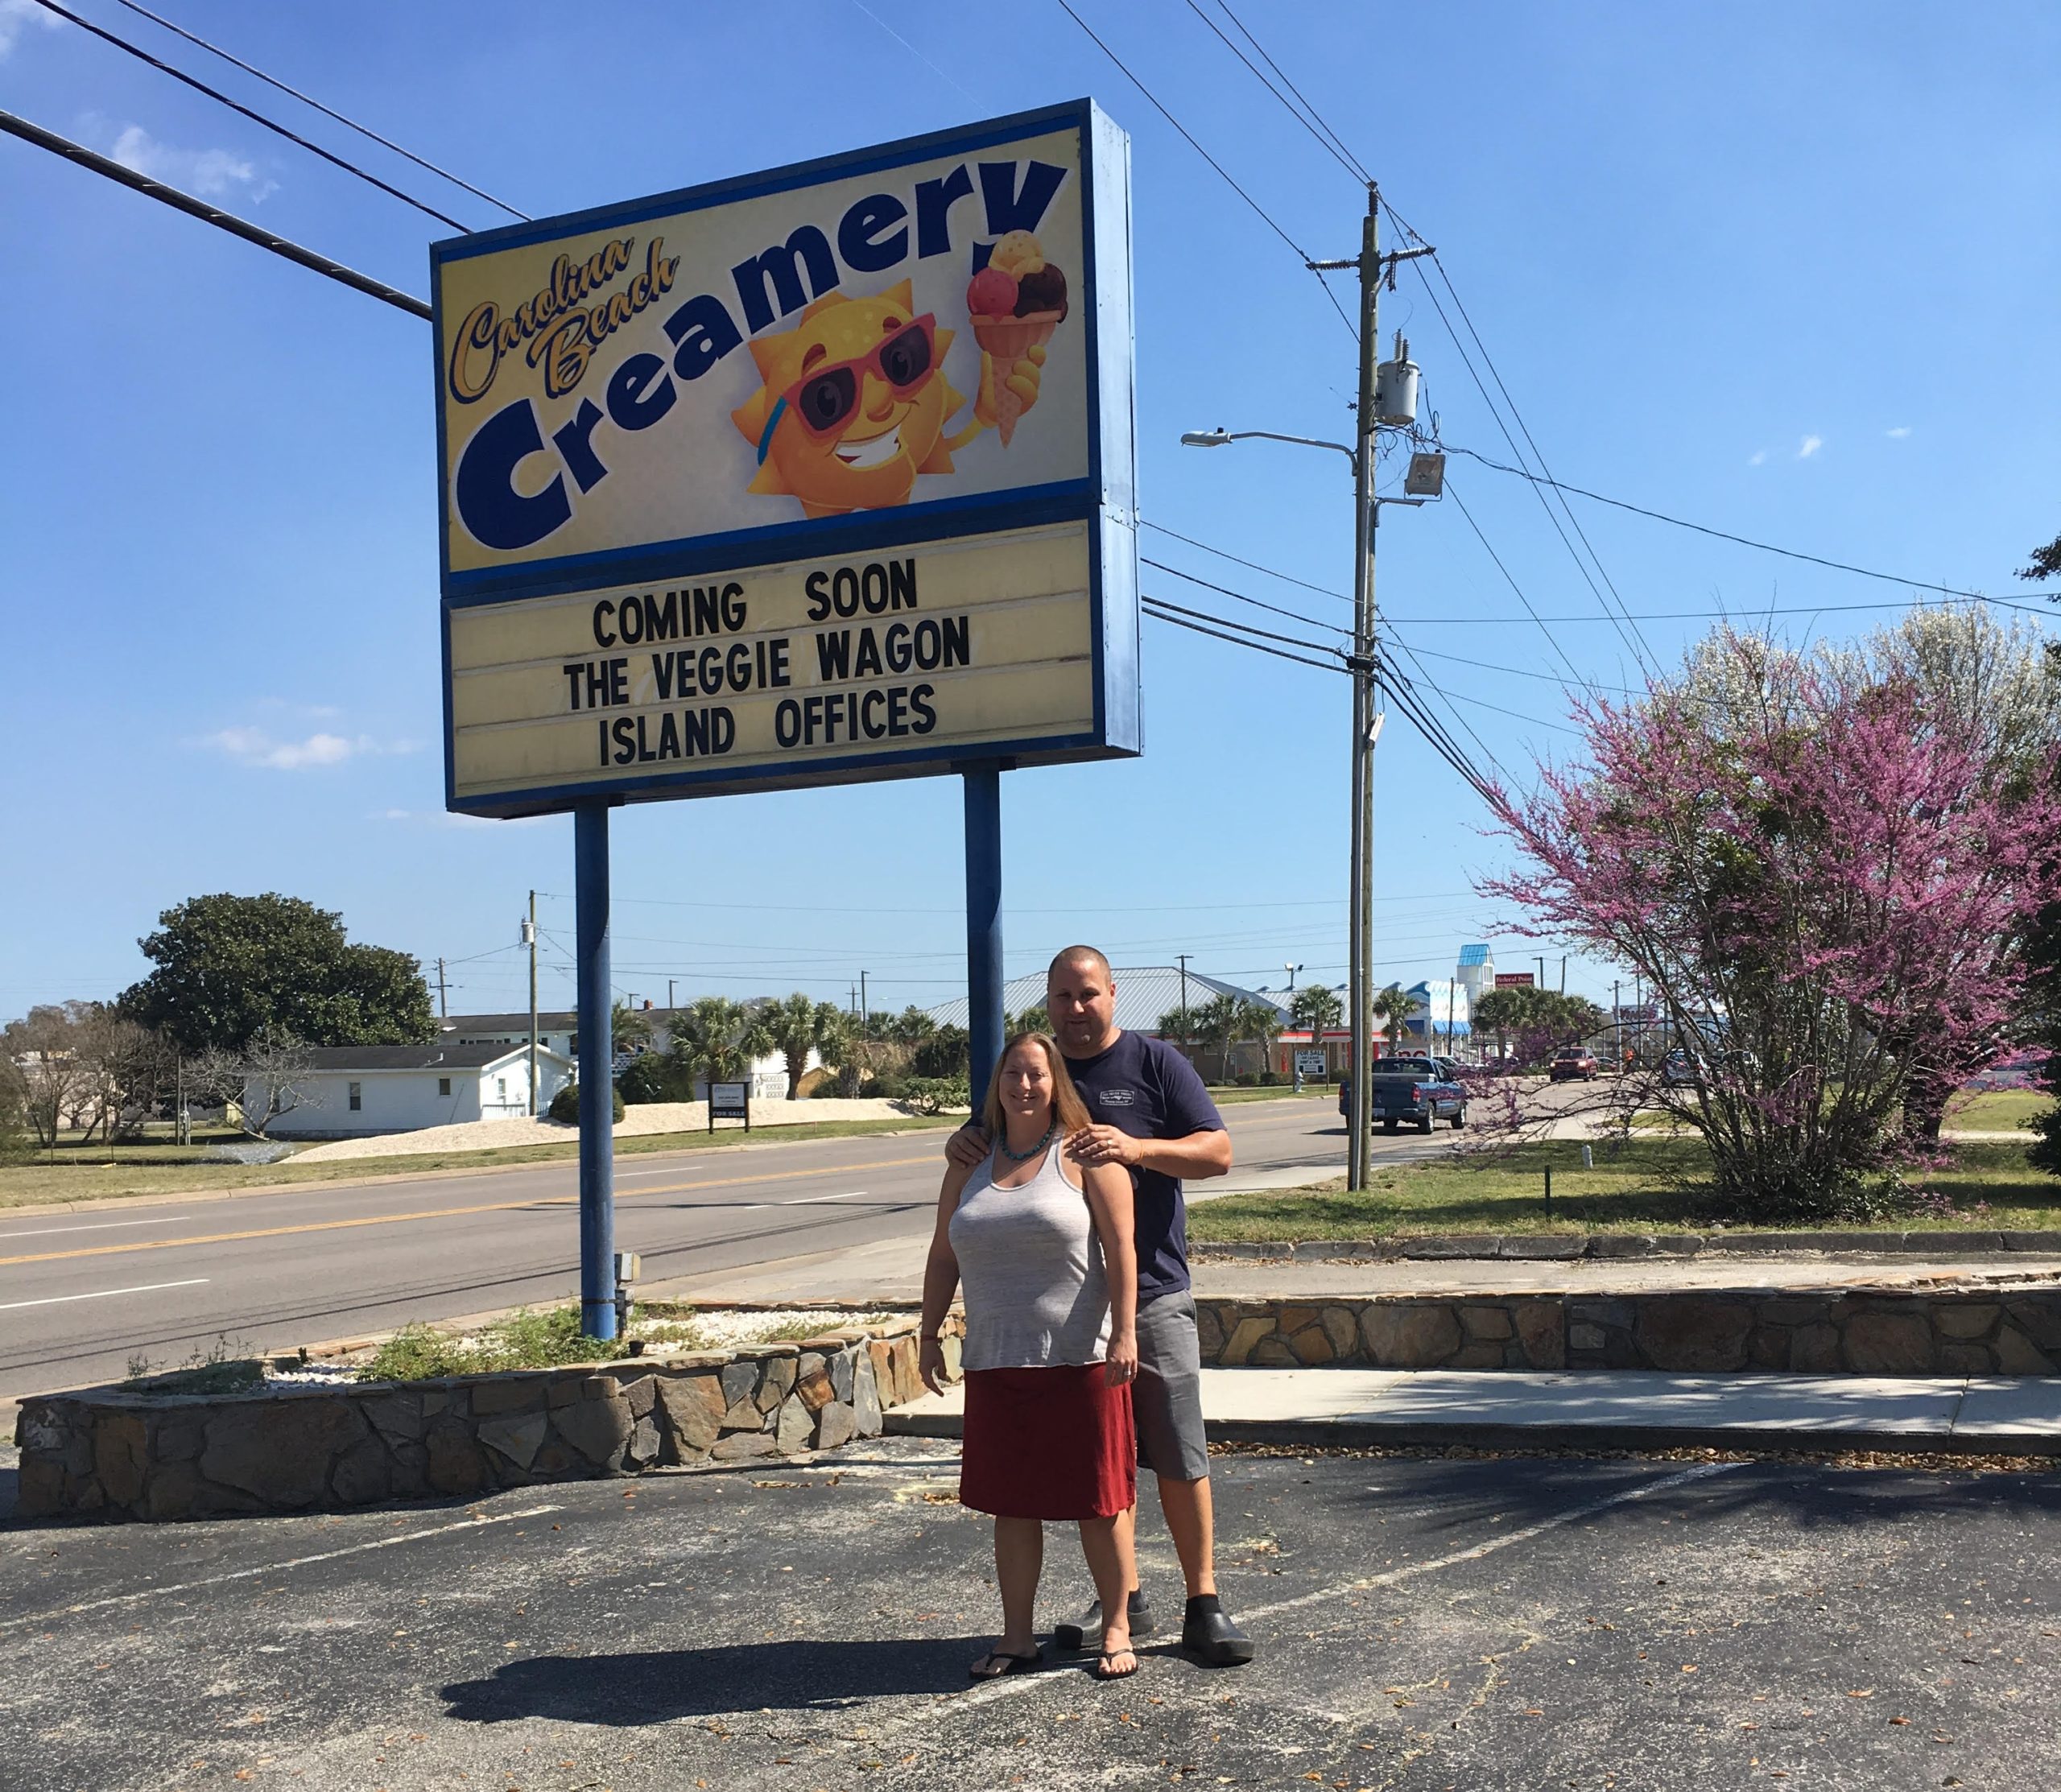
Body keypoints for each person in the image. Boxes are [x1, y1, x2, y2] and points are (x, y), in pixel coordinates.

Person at [947, 946, 1255, 1668]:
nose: (1076, 1009)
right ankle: (1128, 1602)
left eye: (1088, 994)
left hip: (1150, 1293)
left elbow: (1218, 1152)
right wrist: (964, 1140)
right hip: (1064, 1320)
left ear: (1112, 995)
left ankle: (1203, 1602)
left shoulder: (1153, 1063)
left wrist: (1138, 1149)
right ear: (1047, 1001)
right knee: (1102, 1469)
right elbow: (992, 1152)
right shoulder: (1034, 1071)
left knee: (1176, 1451)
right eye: (1062, 996)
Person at [919, 1030, 1142, 1682]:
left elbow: (1123, 1251)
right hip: (995, 1359)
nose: (1024, 1085)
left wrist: (1125, 1333)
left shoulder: (1087, 1154)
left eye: (1037, 1076)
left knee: (1098, 1505)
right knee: (1012, 1506)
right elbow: (942, 1253)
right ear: (997, 1084)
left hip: (1080, 1362)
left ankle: (1119, 1626)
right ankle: (1017, 1638)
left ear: (1056, 1085)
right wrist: (930, 1332)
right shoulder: (968, 1160)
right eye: (1013, 1073)